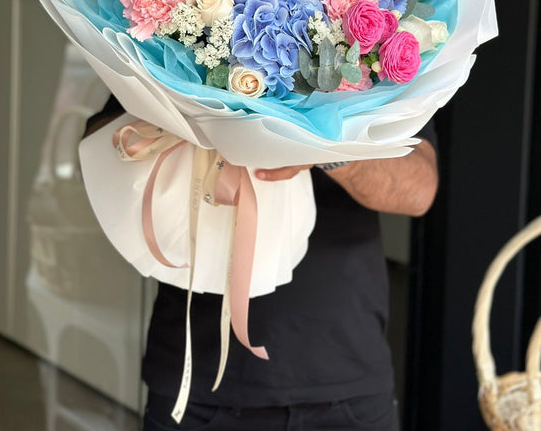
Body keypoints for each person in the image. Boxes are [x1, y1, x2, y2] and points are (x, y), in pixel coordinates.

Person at [85, 95, 438, 431]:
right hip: (198, 386)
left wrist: (322, 146)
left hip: (345, 384)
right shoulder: (171, 36)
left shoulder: (376, 42)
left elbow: (419, 189)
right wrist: (195, 119)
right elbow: (107, 139)